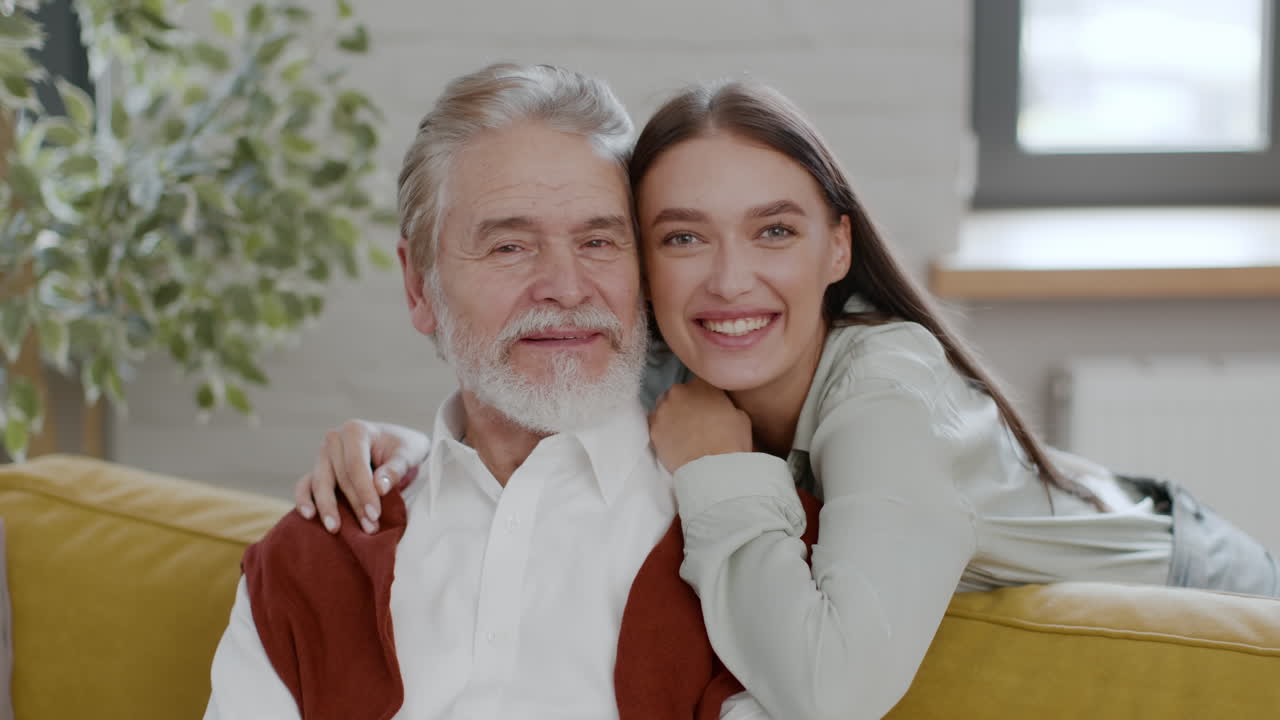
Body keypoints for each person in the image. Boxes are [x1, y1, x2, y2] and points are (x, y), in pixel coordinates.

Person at [299, 79, 1280, 719]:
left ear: (836, 247)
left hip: (1198, 587)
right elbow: (536, 453)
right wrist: (409, 451)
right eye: (682, 238)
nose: (729, 282)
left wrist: (721, 472)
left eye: (772, 231)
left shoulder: (885, 393)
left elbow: (829, 691)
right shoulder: (666, 371)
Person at [204, 62, 768, 720]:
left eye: (598, 241)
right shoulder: (313, 560)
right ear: (420, 287)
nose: (565, 285)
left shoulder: (749, 546)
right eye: (508, 246)